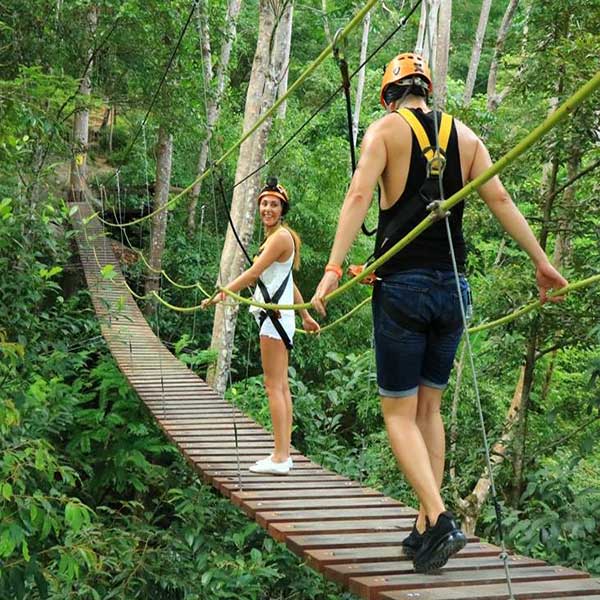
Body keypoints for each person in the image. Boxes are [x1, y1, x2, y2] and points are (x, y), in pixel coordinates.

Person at [311, 53, 568, 572]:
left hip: (404, 289)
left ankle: (440, 516)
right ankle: (425, 529)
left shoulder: (385, 131)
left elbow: (361, 193)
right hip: (454, 292)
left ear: (389, 95)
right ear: (426, 90)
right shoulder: (467, 137)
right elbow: (498, 199)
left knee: (398, 414)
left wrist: (334, 269)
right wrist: (541, 262)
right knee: (430, 410)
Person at [202, 178, 320, 475]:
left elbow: (255, 273)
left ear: (283, 210)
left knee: (274, 386)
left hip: (274, 320)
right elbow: (285, 280)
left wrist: (222, 292)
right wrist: (305, 315)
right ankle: (283, 453)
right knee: (280, 386)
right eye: (265, 203)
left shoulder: (280, 237)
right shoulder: (276, 238)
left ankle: (280, 457)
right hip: (280, 318)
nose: (268, 208)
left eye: (274, 204)